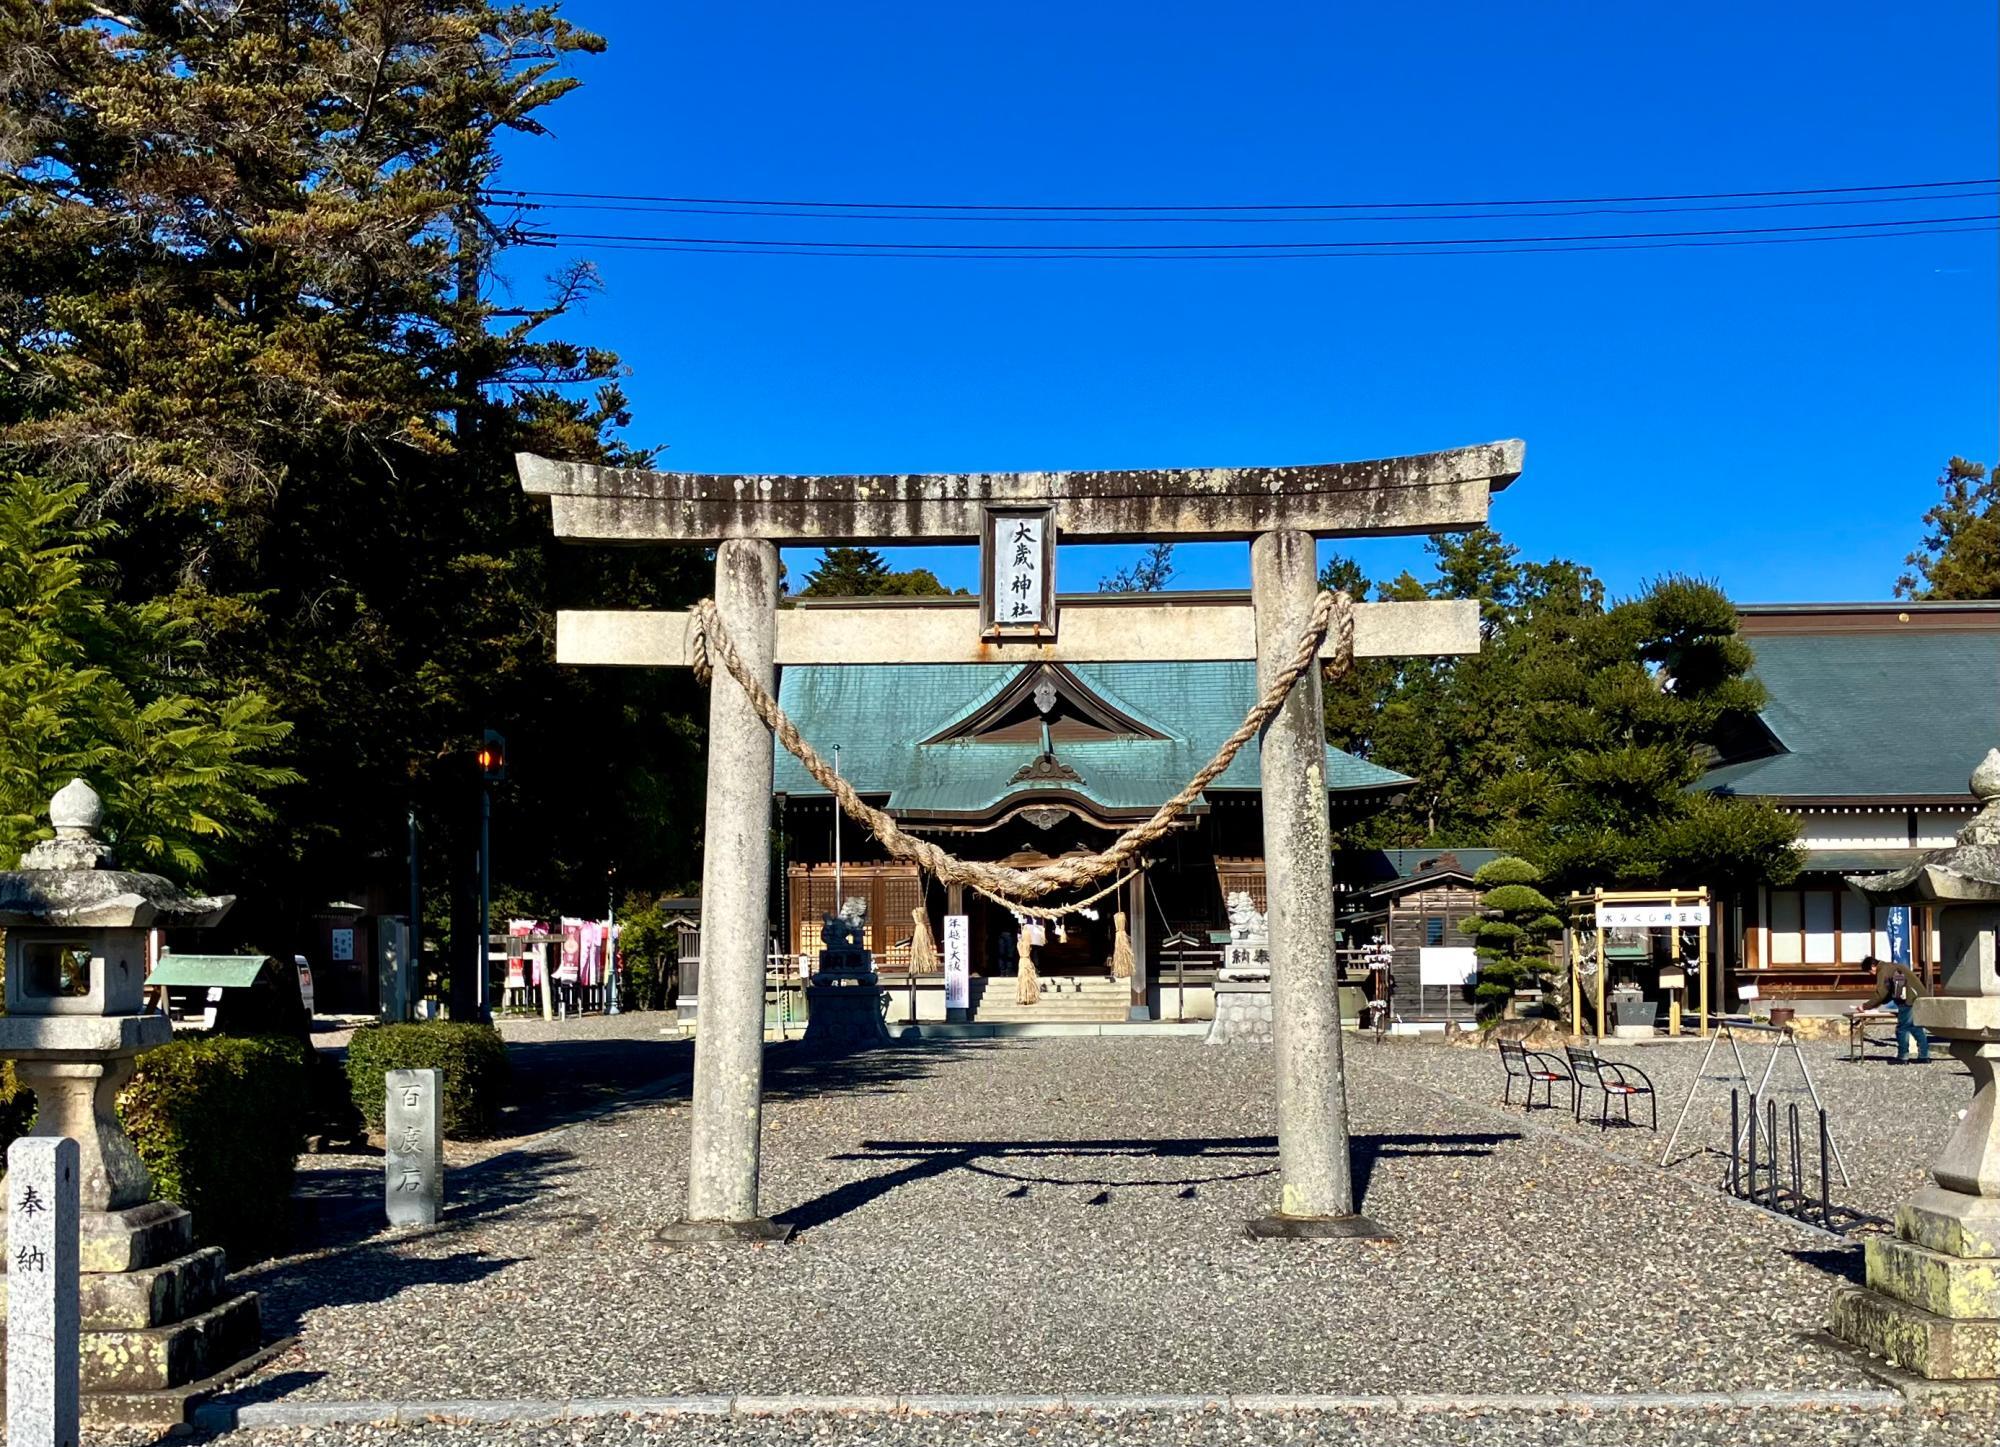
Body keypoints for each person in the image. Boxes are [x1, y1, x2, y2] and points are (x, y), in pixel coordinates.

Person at [1854, 953, 1930, 1063]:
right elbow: (1889, 992)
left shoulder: (1883, 971)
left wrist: (1865, 1006)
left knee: (1902, 1029)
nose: (1871, 974)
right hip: (1918, 998)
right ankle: (1924, 1056)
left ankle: (1903, 1056)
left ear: (1872, 966)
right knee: (1915, 1028)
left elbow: (1881, 993)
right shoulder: (1892, 967)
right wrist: (1876, 1004)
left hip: (1907, 1000)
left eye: (1869, 971)